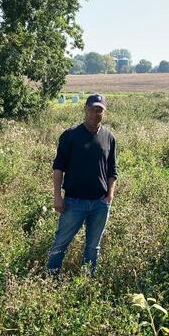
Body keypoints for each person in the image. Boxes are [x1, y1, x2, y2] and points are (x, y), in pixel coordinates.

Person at [47, 93, 118, 275]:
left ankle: (86, 282)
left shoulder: (109, 138)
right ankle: (49, 278)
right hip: (73, 202)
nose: (95, 113)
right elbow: (58, 168)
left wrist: (109, 196)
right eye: (92, 109)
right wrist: (57, 197)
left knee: (93, 247)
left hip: (99, 204)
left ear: (104, 112)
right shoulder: (70, 135)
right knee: (60, 243)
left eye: (99, 110)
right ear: (85, 109)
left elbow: (112, 170)